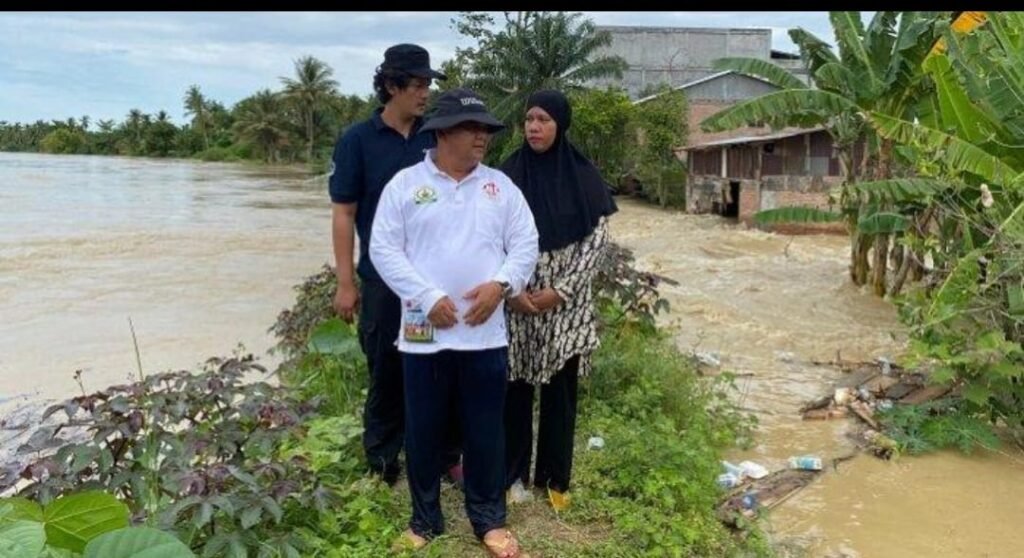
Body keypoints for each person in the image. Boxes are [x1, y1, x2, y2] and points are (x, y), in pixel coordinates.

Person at [370, 88, 538, 557]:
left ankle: (489, 520)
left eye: (485, 128)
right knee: (423, 429)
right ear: (443, 133)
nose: (481, 136)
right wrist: (426, 296)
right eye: (471, 127)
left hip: (484, 336)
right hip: (424, 333)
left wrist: (502, 285)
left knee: (485, 429)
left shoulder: (500, 188)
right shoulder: (405, 185)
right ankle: (425, 520)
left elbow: (526, 241)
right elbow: (383, 248)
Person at [328, 43, 460, 486]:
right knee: (387, 369)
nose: (425, 93)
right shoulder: (357, 141)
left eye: (427, 84)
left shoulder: (434, 136)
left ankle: (443, 457)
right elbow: (344, 213)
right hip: (384, 284)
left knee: (438, 366)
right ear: (391, 86)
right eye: (417, 84)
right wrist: (346, 283)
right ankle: (383, 462)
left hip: (435, 281)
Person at [499, 89, 618, 511]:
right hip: (517, 300)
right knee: (514, 391)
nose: (534, 127)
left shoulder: (583, 175)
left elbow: (597, 240)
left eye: (544, 119)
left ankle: (554, 481)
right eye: (529, 119)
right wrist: (511, 291)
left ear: (560, 124)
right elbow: (488, 235)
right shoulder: (506, 175)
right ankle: (512, 477)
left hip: (565, 305)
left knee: (560, 394)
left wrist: (559, 291)